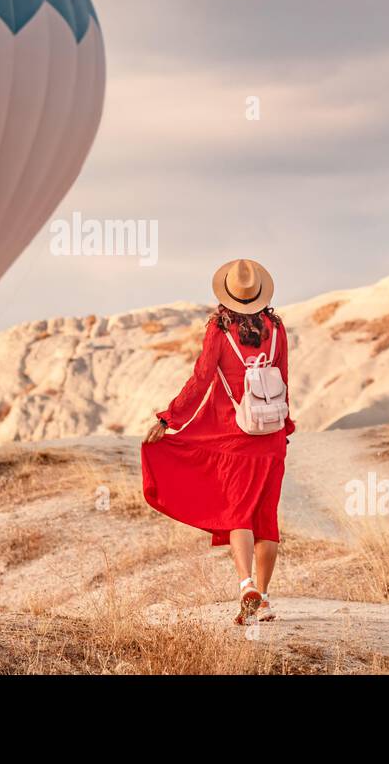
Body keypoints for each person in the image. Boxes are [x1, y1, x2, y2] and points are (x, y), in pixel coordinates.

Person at [141, 258, 293, 624]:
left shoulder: (219, 330)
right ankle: (267, 598)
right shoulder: (276, 328)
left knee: (238, 513)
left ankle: (246, 586)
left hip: (235, 437)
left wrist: (169, 417)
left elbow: (201, 379)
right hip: (271, 437)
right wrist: (284, 427)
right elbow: (285, 379)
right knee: (266, 518)